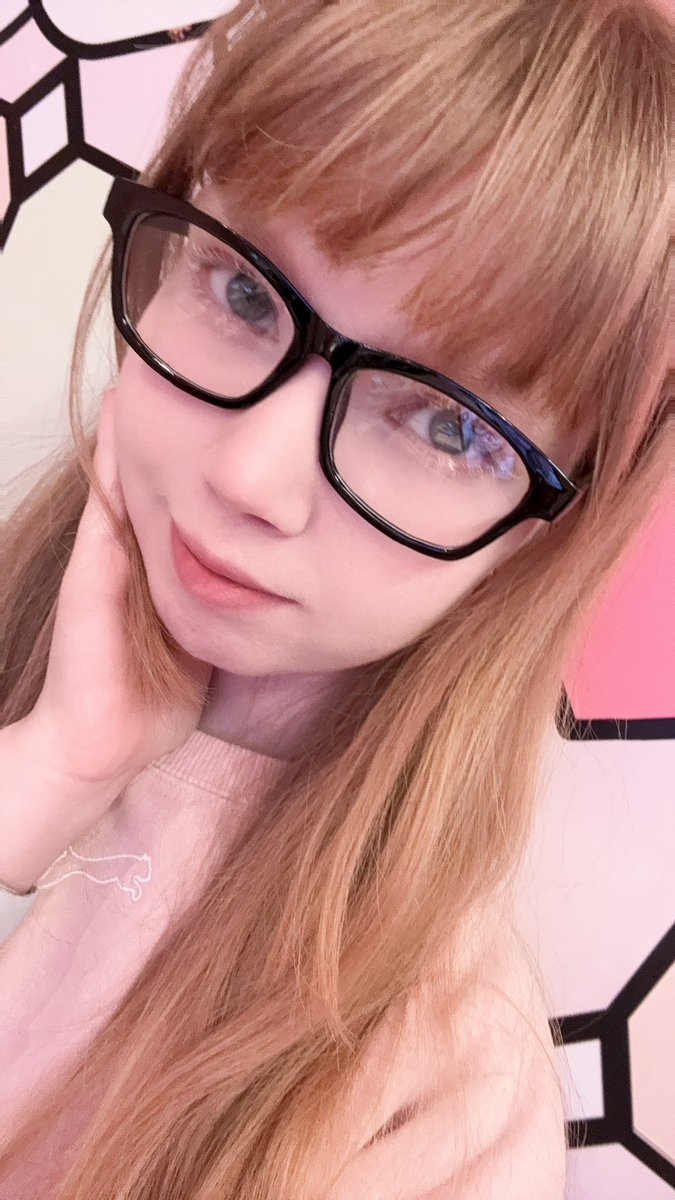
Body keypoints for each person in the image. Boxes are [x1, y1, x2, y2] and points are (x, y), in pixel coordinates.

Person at [0, 0, 670, 1196]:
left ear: (546, 531)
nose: (251, 477)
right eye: (244, 293)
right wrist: (46, 776)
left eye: (448, 425)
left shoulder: (439, 1096)